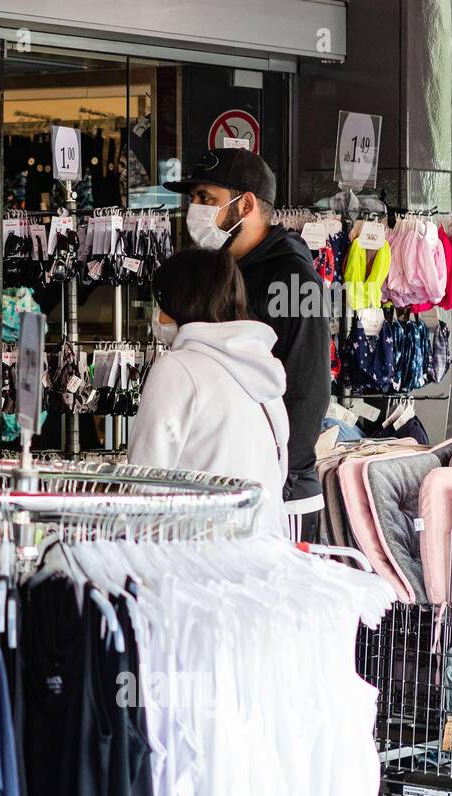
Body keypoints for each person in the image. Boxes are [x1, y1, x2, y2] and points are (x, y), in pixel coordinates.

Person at [164, 148, 329, 540]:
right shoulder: (221, 269)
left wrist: (279, 477)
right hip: (231, 490)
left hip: (280, 497)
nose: (196, 210)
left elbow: (308, 386)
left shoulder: (293, 278)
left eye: (208, 199)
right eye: (193, 200)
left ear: (247, 204)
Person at [127, 248, 289, 537]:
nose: (158, 315)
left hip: (199, 554)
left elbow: (146, 475)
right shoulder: (262, 370)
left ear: (182, 302)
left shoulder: (177, 368)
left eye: (162, 303)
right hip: (267, 549)